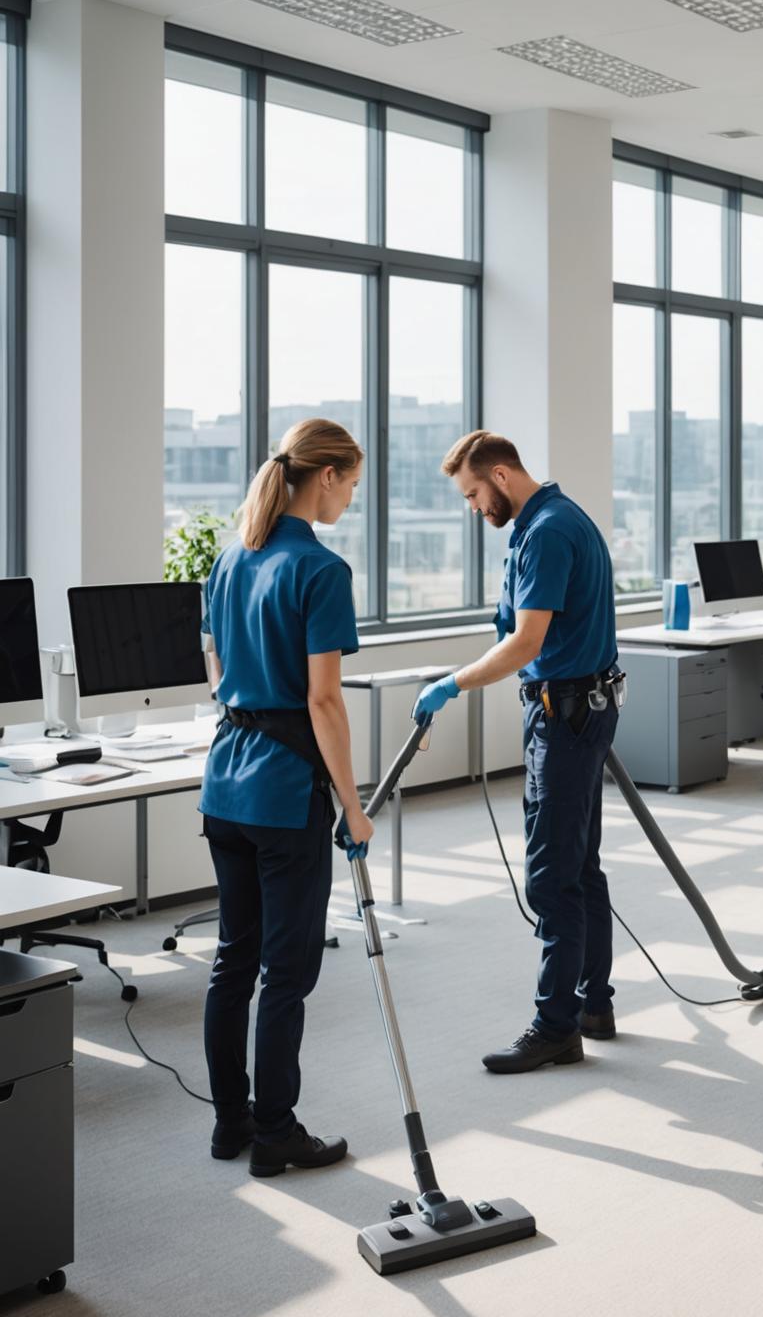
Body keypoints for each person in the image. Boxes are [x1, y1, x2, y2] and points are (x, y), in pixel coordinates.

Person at [413, 431, 621, 1074]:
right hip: (578, 706)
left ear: (501, 475)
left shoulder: (549, 532)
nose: (473, 507)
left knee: (552, 875)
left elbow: (526, 641)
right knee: (580, 864)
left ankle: (555, 1027)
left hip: (564, 713)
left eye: (474, 493)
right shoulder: (548, 522)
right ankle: (593, 1004)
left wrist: (454, 681)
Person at [199, 418, 373, 1177]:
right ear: (325, 476)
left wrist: (243, 703)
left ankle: (230, 1124)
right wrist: (355, 804)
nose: (351, 499)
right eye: (353, 484)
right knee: (286, 970)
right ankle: (276, 1132)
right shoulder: (320, 571)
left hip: (225, 782)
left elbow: (212, 657)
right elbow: (325, 702)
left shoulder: (231, 557)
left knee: (232, 960)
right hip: (284, 792)